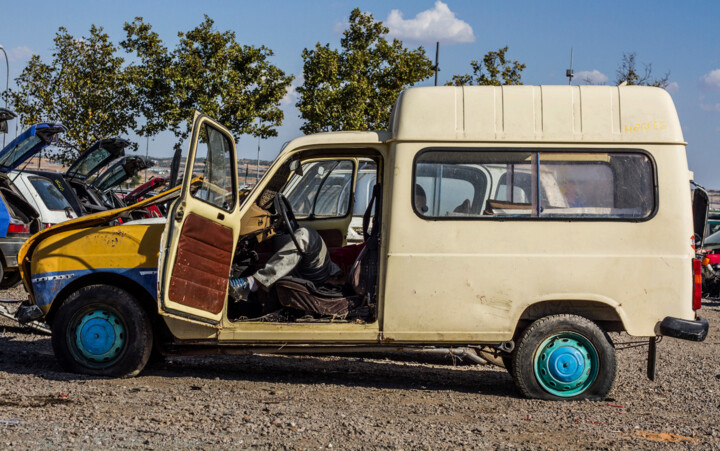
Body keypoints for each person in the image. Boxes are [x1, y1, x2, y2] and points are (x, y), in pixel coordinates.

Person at [229, 226, 341, 301]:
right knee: (299, 234)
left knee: (305, 235)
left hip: (324, 275)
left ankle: (254, 282)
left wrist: (342, 280)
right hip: (323, 268)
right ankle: (257, 282)